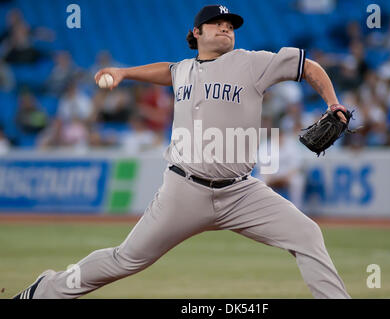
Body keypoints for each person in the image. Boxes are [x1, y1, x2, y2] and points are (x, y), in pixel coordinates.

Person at [14, 5, 350, 299]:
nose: (226, 29)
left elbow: (309, 68)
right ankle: (45, 290)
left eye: (231, 26)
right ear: (196, 32)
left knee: (307, 234)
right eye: (218, 24)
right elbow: (169, 70)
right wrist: (124, 73)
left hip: (242, 193)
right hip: (183, 191)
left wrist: (332, 102)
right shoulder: (184, 69)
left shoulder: (252, 64)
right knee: (126, 259)